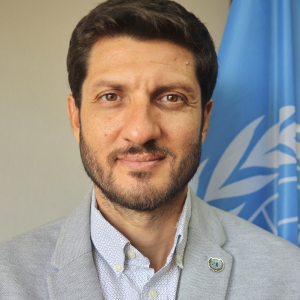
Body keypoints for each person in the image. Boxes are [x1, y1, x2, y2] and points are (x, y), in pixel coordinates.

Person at [1, 0, 300, 299]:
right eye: (111, 96)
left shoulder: (288, 274)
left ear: (205, 120)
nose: (140, 131)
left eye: (171, 98)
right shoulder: (8, 277)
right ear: (76, 118)